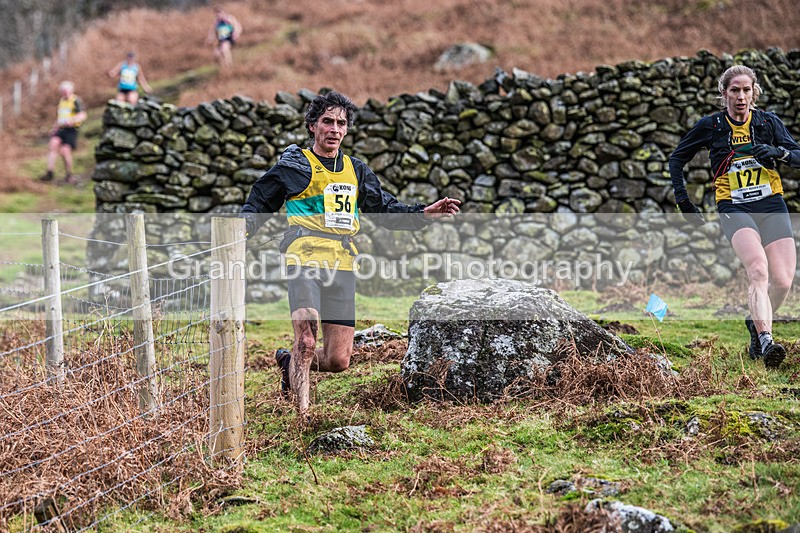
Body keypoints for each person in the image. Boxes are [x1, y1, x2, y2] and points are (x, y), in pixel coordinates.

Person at [240, 91, 461, 416]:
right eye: (327, 121)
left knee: (337, 360)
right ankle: (302, 416)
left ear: (346, 130)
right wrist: (241, 229)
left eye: (340, 123)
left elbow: (385, 209)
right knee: (306, 339)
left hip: (342, 263)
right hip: (304, 257)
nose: (334, 128)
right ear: (313, 126)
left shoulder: (356, 171)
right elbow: (260, 201)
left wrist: (424, 213)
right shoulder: (295, 165)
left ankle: (288, 364)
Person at [669, 65, 800, 369]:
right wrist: (684, 201)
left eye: (746, 90)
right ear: (724, 93)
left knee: (782, 281)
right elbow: (677, 159)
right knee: (757, 269)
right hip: (734, 207)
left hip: (770, 204)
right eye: (734, 90)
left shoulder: (768, 123)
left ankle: (754, 324)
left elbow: (797, 155)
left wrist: (779, 154)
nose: (741, 97)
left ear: (754, 92)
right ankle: (766, 341)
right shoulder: (712, 126)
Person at [40, 81, 87, 185]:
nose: (65, 93)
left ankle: (69, 175)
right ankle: (50, 172)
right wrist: (54, 128)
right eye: (63, 91)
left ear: (71, 90)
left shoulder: (76, 100)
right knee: (53, 144)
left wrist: (72, 120)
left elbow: (83, 115)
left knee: (65, 151)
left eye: (66, 91)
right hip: (61, 129)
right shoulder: (62, 101)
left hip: (71, 130)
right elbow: (60, 117)